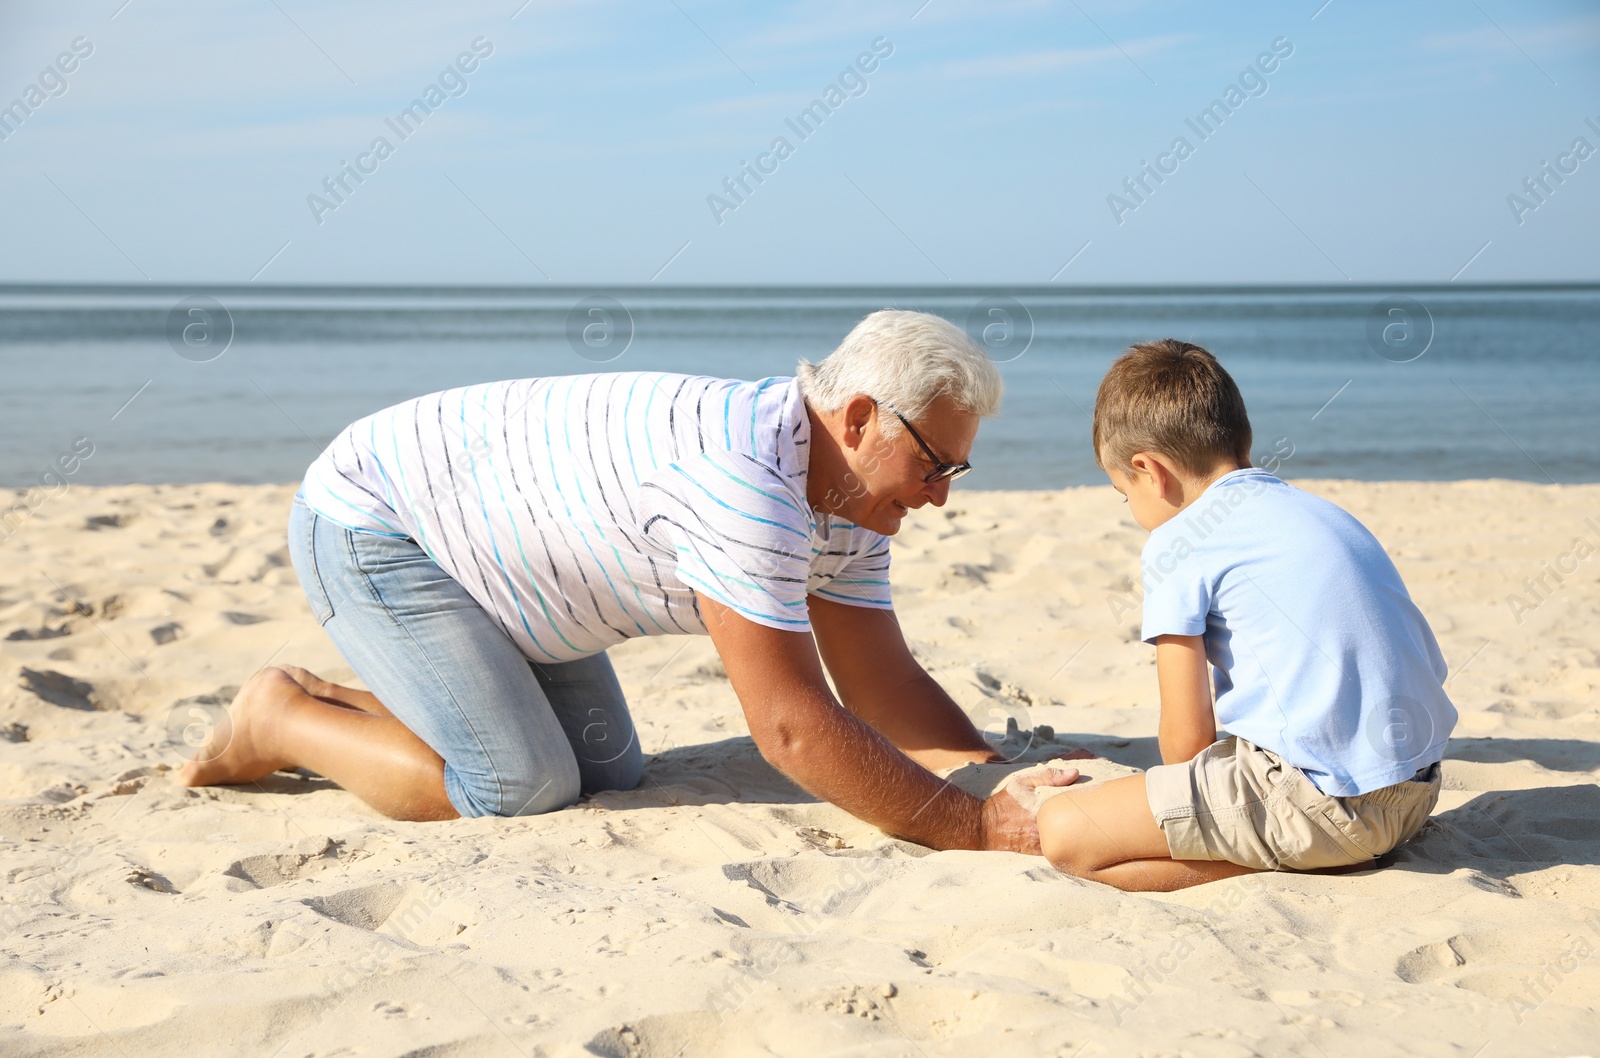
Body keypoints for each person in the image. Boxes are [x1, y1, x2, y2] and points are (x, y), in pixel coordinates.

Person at [178, 309, 1079, 852]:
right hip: (380, 523)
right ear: (855, 419)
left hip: (511, 575)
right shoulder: (746, 475)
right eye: (935, 467)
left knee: (608, 770)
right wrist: (973, 830)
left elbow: (881, 686)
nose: (939, 499)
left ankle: (390, 700)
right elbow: (792, 730)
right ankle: (280, 718)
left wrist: (1000, 783)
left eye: (953, 474)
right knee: (520, 786)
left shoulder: (849, 497)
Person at [1038, 339, 1456, 891]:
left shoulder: (1179, 542)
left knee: (1064, 831)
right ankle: (1319, 849)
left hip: (1324, 808)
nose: (1132, 510)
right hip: (1415, 793)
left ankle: (1308, 861)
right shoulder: (1323, 513)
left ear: (1150, 470)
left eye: (1123, 493)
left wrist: (1167, 805)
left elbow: (1186, 742)